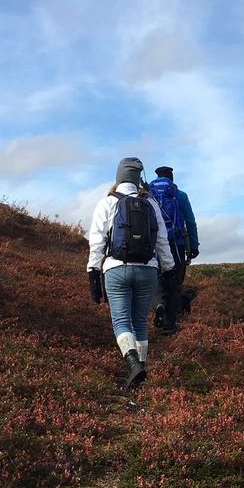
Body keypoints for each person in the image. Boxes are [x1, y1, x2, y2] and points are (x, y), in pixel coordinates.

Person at [87, 157, 176, 389]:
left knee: (121, 321)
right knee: (139, 321)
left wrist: (93, 272)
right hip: (148, 271)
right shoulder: (151, 204)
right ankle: (142, 368)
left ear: (119, 177)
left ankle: (133, 363)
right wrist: (168, 268)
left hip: (116, 269)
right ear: (138, 179)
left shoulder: (107, 202)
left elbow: (96, 241)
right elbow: (162, 240)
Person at [150, 165, 199, 335]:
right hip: (176, 244)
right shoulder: (180, 196)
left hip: (154, 244)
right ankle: (171, 322)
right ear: (172, 178)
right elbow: (190, 222)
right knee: (175, 281)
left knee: (157, 278)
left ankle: (159, 306)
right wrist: (194, 245)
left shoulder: (148, 195)